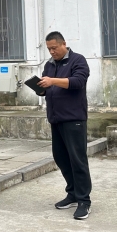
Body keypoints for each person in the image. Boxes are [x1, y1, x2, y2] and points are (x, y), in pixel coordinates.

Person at [37, 31, 92, 220]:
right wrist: (42, 88)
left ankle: (84, 200)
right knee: (60, 158)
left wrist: (52, 81)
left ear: (63, 44)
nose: (52, 52)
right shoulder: (49, 65)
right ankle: (73, 193)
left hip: (73, 118)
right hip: (56, 118)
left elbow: (78, 82)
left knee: (78, 160)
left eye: (54, 48)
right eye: (49, 49)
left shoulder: (78, 60)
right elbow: (48, 88)